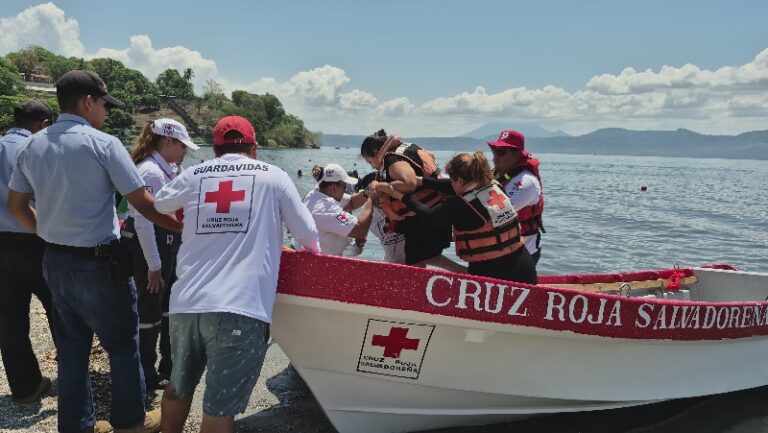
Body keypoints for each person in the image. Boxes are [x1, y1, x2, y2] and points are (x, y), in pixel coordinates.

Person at [7, 69, 182, 433]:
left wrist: (48, 232)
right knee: (122, 344)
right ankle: (130, 422)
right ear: (88, 102)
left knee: (71, 350)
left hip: (54, 259)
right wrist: (186, 229)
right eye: (104, 104)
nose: (107, 112)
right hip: (99, 263)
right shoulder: (104, 144)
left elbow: (16, 206)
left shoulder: (31, 145)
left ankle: (76, 425)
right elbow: (145, 205)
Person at [154, 116, 319, 433]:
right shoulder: (275, 177)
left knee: (178, 388)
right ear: (254, 148)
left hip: (186, 304)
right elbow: (309, 235)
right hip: (239, 310)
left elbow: (161, 202)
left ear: (215, 150)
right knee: (219, 410)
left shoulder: (194, 174)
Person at [382, 151, 537, 284]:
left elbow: (429, 215)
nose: (451, 184)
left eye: (453, 179)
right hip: (523, 266)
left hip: (494, 275)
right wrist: (421, 181)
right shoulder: (493, 185)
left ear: (461, 181)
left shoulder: (461, 205)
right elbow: (450, 185)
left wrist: (399, 196)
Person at [123, 118, 199, 391]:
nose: (185, 152)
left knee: (168, 310)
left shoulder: (169, 169)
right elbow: (143, 221)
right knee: (149, 314)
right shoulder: (150, 172)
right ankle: (145, 371)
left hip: (167, 243)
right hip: (150, 247)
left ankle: (168, 364)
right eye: (182, 146)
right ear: (168, 141)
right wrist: (154, 266)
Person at [0, 99, 56, 405]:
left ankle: (25, 388)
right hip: (34, 239)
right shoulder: (35, 149)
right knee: (60, 312)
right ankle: (73, 383)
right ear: (43, 125)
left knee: (9, 321)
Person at [360, 129, 464, 272]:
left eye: (370, 161)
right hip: (430, 211)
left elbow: (409, 183)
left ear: (377, 152)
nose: (372, 166)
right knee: (425, 257)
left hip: (423, 216)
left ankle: (416, 290)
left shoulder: (391, 159)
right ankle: (465, 272)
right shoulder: (402, 151)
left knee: (415, 261)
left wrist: (382, 187)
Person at [487, 130, 544, 263]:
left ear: (517, 154)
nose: (495, 157)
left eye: (501, 152)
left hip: (521, 256)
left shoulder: (526, 182)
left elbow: (496, 213)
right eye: (494, 151)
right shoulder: (497, 175)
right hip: (498, 251)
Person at [301, 163, 373, 256]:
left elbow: (351, 202)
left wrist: (367, 193)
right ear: (333, 188)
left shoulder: (317, 194)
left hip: (315, 258)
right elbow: (360, 230)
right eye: (344, 186)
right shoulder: (325, 208)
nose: (346, 188)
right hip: (316, 263)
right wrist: (372, 201)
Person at [357, 172, 406, 264]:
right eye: (375, 195)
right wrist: (357, 244)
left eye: (382, 193)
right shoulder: (369, 216)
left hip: (416, 262)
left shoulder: (401, 200)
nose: (379, 199)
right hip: (391, 263)